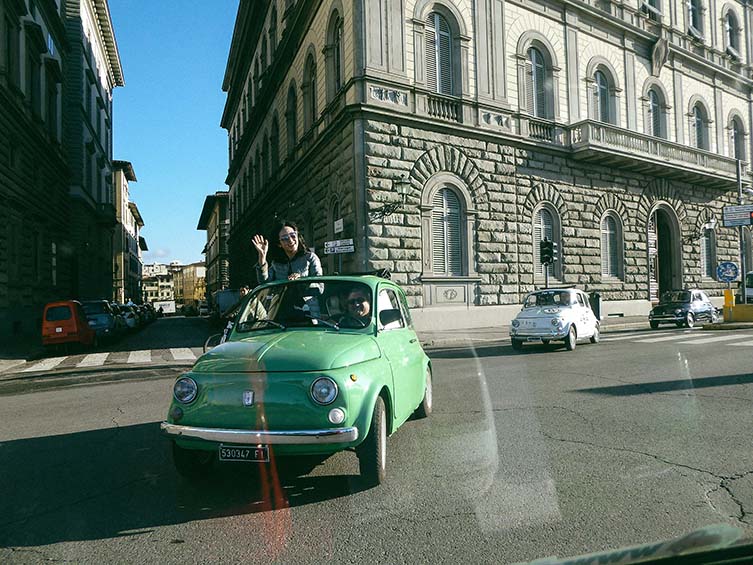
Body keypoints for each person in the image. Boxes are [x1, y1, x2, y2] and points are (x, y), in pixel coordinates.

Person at [252, 220, 322, 284]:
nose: (291, 240)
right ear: (279, 244)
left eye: (293, 235)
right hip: (283, 298)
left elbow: (319, 286)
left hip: (305, 297)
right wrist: (262, 257)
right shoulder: (277, 264)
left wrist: (302, 280)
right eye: (285, 238)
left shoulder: (310, 258)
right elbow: (264, 283)